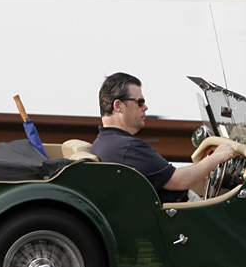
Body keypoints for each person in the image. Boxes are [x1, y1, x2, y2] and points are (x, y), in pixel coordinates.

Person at [90, 72, 236, 203]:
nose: (145, 107)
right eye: (139, 102)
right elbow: (179, 180)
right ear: (118, 106)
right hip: (180, 216)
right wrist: (217, 156)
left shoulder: (102, 143)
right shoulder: (126, 148)